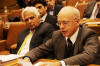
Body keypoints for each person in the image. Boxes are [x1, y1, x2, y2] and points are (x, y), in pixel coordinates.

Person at [23, 6, 99, 65]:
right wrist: (28, 57)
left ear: (77, 21)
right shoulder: (57, 35)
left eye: (65, 23)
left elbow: (88, 56)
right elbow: (41, 49)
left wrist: (60, 63)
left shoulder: (89, 34)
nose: (61, 27)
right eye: (59, 23)